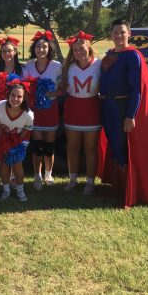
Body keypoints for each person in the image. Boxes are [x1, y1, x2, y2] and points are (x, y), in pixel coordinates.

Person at [98, 19, 148, 208]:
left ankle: (127, 190)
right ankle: (117, 187)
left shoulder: (133, 56)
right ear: (111, 34)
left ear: (129, 34)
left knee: (122, 148)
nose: (118, 36)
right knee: (113, 146)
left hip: (122, 108)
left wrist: (131, 115)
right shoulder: (110, 54)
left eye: (122, 32)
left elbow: (137, 89)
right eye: (115, 32)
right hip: (106, 107)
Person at [62, 32, 101, 195]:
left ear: (89, 47)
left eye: (81, 48)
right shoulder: (68, 67)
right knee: (72, 147)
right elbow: (62, 88)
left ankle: (90, 182)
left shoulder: (100, 64)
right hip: (73, 110)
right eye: (75, 49)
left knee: (90, 149)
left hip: (92, 109)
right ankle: (73, 180)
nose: (78, 52)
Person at [22, 31, 62, 190]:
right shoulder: (29, 66)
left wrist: (49, 94)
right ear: (34, 48)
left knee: (49, 146)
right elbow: (24, 87)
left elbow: (62, 89)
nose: (41, 49)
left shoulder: (56, 66)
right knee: (37, 145)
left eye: (44, 46)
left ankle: (48, 174)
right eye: (38, 46)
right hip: (35, 110)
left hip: (50, 109)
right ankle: (37, 176)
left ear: (49, 48)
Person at [0, 80, 34, 202]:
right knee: (3, 163)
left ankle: (20, 190)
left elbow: (27, 129)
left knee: (17, 163)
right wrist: (3, 136)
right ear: (8, 95)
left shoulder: (28, 114)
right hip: (2, 136)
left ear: (24, 98)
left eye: (19, 96)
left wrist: (16, 140)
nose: (15, 98)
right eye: (13, 95)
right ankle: (6, 190)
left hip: (20, 139)